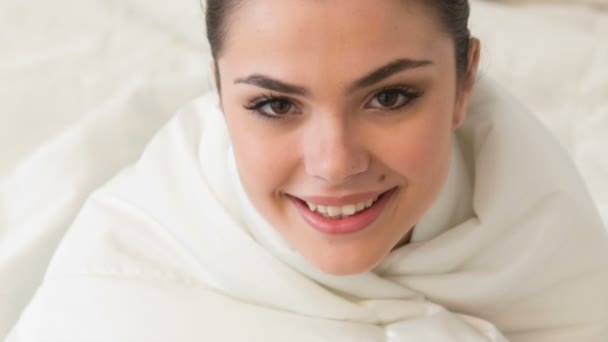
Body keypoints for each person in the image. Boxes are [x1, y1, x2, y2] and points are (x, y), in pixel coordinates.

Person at [7, 0, 608, 340]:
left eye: (391, 97)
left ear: (464, 83)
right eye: (274, 105)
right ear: (218, 93)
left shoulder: (548, 233)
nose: (335, 164)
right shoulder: (110, 298)